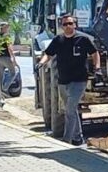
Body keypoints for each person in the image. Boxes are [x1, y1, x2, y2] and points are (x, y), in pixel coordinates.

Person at [38, 14, 101, 145]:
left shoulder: (82, 39)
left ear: (75, 25)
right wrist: (41, 63)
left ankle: (67, 140)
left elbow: (95, 53)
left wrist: (98, 68)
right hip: (63, 81)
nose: (68, 26)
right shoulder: (58, 40)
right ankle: (78, 137)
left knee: (70, 110)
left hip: (79, 80)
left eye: (70, 23)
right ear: (62, 26)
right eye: (65, 24)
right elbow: (48, 54)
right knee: (71, 110)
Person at [0, 21, 18, 107]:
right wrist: (13, 58)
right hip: (6, 57)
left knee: (0, 76)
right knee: (13, 72)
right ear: (4, 27)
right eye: (7, 27)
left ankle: (1, 95)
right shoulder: (6, 36)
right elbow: (9, 47)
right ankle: (5, 88)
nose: (8, 28)